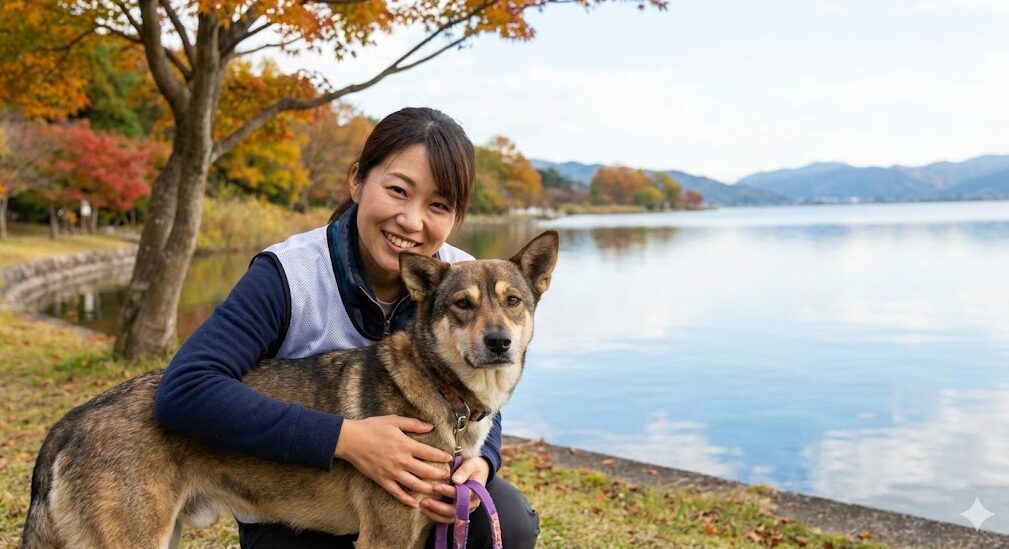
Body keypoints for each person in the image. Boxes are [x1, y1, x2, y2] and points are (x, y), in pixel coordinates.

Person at [154, 107, 540, 548]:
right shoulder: (288, 274)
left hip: (394, 488)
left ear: (455, 216)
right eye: (398, 190)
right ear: (357, 181)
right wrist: (347, 438)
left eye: (438, 205)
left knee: (509, 522)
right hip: (288, 496)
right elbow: (186, 388)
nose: (412, 221)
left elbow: (481, 383)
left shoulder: (466, 277)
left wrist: (484, 461)